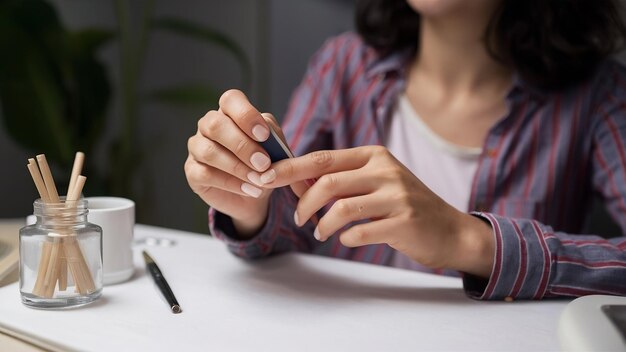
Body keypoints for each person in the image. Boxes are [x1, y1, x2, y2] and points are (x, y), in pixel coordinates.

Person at [185, 0, 626, 300]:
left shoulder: (597, 97)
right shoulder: (344, 66)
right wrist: (250, 208)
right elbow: (294, 225)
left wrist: (470, 241)